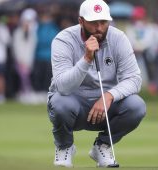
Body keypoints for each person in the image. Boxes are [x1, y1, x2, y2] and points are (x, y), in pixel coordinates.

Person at [47, 0, 146, 168]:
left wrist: (109, 96)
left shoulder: (118, 38)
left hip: (106, 108)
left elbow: (134, 79)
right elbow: (62, 87)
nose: (99, 28)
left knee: (137, 106)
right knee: (60, 103)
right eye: (93, 23)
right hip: (73, 104)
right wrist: (86, 59)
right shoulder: (63, 40)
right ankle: (65, 146)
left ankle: (102, 145)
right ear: (81, 21)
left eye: (103, 22)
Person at [12, 8, 37, 104]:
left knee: (25, 77)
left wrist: (27, 61)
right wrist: (21, 60)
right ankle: (26, 93)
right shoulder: (17, 33)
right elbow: (16, 48)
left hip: (28, 61)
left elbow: (31, 49)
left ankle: (24, 93)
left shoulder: (32, 34)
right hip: (20, 61)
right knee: (23, 77)